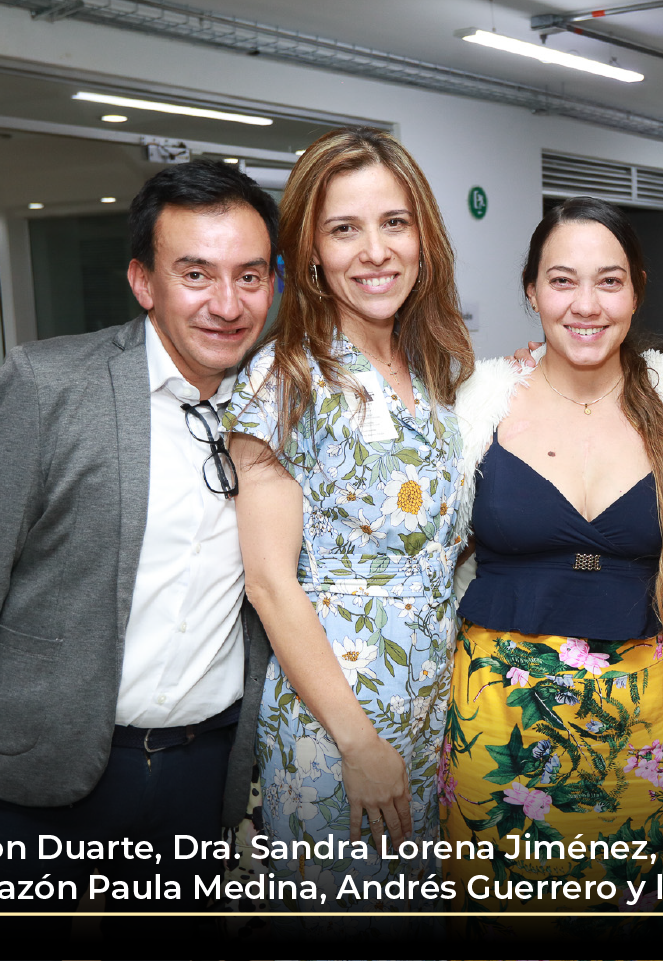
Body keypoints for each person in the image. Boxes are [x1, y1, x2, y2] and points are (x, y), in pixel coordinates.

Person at [0, 159, 277, 915]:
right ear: (143, 281)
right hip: (34, 778)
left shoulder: (283, 405)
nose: (228, 304)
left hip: (199, 775)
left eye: (251, 275)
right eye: (196, 274)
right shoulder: (47, 387)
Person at [439, 197, 663, 936]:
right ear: (532, 291)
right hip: (501, 717)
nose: (586, 305)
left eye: (609, 281)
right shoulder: (478, 404)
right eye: (562, 280)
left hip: (650, 719)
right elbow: (421, 553)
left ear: (637, 289)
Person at [223, 126, 473, 923]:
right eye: (344, 229)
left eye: (394, 223)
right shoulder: (285, 378)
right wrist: (358, 742)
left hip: (429, 713)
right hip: (337, 724)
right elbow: (269, 583)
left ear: (424, 237)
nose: (375, 251)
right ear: (312, 251)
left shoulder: (430, 372)